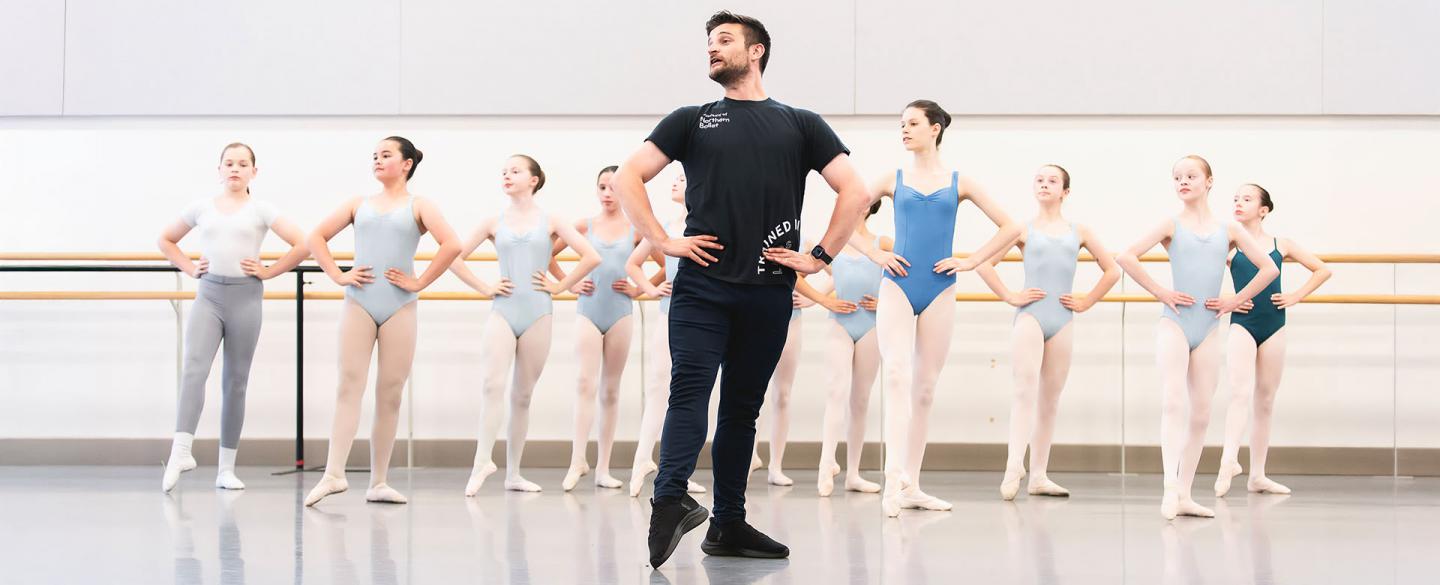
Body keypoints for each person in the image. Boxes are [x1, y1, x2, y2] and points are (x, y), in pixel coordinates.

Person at [611, 10, 871, 567]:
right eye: (708, 42)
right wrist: (660, 240)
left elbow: (855, 190)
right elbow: (626, 176)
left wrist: (820, 255)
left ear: (756, 52)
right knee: (689, 390)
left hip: (768, 292)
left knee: (741, 410)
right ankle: (669, 499)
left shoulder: (800, 124)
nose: (712, 49)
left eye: (724, 40)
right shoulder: (690, 119)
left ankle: (728, 523)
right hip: (702, 288)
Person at [860, 99, 1021, 518]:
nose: (905, 130)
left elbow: (1011, 227)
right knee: (897, 375)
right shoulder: (891, 179)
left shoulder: (959, 180)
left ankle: (912, 483)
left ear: (935, 128)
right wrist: (876, 255)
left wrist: (970, 261)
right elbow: (846, 220)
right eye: (901, 124)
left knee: (925, 389)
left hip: (940, 288)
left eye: (912, 123)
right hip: (898, 284)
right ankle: (892, 481)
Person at [1115, 155, 1278, 520]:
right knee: (1174, 402)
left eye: (1191, 176)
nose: (1183, 181)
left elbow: (1269, 268)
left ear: (1209, 181)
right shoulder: (1171, 224)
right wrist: (1161, 292)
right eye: (1177, 177)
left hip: (1208, 328)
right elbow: (1126, 256)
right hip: (1174, 322)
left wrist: (1236, 299)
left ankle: (1186, 492)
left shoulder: (1229, 230)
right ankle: (1169, 490)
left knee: (1202, 412)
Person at [304, 136, 462, 506]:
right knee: (348, 386)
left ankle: (378, 481)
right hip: (359, 302)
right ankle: (334, 474)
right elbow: (315, 236)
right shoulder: (358, 204)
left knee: (389, 393)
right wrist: (338, 274)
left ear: (406, 164)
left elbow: (452, 244)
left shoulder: (420, 205)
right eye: (374, 156)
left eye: (386, 155)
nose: (377, 160)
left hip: (399, 307)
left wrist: (420, 281)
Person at [157, 142, 309, 492]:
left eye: (243, 164)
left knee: (235, 381)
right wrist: (189, 267)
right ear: (219, 170)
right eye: (229, 163)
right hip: (209, 295)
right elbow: (166, 240)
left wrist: (270, 271)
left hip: (246, 298)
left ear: (254, 172)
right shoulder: (202, 207)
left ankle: (226, 468)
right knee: (194, 369)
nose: (235, 169)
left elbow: (303, 243)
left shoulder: (261, 209)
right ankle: (181, 450)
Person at [450, 155, 601, 494]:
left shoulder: (551, 220)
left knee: (522, 395)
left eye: (515, 171)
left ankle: (513, 473)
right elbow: (454, 258)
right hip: (503, 310)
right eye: (503, 171)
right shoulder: (492, 221)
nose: (507, 175)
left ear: (533, 180)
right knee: (491, 384)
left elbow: (592, 256)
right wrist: (485, 287)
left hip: (538, 312)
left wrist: (561, 286)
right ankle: (482, 461)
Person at [972, 165, 1121, 500]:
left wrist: (1087, 301)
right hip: (1031, 317)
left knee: (1050, 399)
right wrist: (1011, 295)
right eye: (1039, 180)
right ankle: (1014, 467)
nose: (1044, 184)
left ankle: (1039, 474)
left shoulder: (1079, 230)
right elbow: (983, 264)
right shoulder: (1021, 229)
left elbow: (1112, 270)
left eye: (1052, 181)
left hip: (1063, 319)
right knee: (1024, 391)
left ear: (1065, 192)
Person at [1214, 184, 1330, 497]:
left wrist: (1295, 296)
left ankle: (1258, 476)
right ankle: (1228, 461)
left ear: (1264, 210)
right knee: (1239, 392)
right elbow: (1202, 276)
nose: (1239, 203)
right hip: (1243, 323)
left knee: (1265, 400)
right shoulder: (1229, 243)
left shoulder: (1282, 244)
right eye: (1235, 198)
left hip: (1275, 324)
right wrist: (1230, 298)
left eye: (1247, 199)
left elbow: (1322, 270)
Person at [791, 201, 889, 497]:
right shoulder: (832, 241)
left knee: (860, 400)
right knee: (836, 393)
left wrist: (885, 303)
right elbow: (797, 273)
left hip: (871, 324)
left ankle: (854, 474)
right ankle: (825, 466)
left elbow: (909, 273)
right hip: (840, 323)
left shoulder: (881, 243)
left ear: (868, 207)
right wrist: (822, 300)